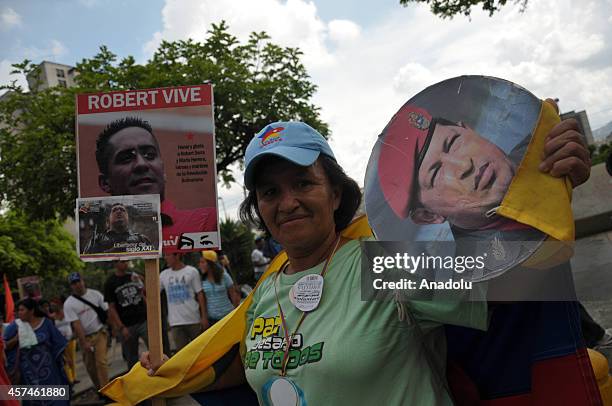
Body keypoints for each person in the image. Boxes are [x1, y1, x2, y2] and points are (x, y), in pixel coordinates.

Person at [130, 118, 592, 405]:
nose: (287, 201)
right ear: (258, 209)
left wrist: (544, 188)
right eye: (270, 192)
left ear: (335, 192)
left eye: (303, 183)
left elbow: (511, 276)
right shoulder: (264, 295)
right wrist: (171, 373)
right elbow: (244, 363)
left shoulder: (385, 263)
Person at [378, 103, 590, 231]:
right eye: (435, 173)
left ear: (468, 128)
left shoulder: (540, 147)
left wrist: (565, 182)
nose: (464, 165)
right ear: (428, 215)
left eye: (453, 143)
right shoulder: (461, 275)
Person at [95, 116, 217, 250]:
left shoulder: (207, 222)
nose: (141, 164)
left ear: (163, 170)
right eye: (126, 158)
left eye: (149, 155)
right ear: (105, 183)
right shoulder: (98, 244)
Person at [3, 299, 69, 405]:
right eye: (18, 310)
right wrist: (15, 340)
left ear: (31, 311)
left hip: (49, 371)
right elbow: (3, 346)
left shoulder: (46, 323)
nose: (19, 313)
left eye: (22, 310)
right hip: (28, 374)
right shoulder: (14, 326)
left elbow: (58, 342)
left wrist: (63, 359)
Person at [63, 272, 110, 391]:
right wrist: (84, 343)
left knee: (101, 362)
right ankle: (99, 388)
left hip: (99, 333)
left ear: (83, 280)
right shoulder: (69, 303)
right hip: (85, 337)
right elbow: (76, 324)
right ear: (71, 286)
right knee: (90, 367)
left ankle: (107, 390)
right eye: (74, 283)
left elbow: (107, 311)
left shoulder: (95, 294)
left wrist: (114, 328)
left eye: (78, 281)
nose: (77, 285)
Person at [104, 260, 148, 368]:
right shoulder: (110, 283)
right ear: (115, 264)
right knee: (132, 358)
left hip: (143, 320)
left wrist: (143, 281)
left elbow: (145, 294)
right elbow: (111, 308)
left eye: (126, 261)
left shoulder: (133, 276)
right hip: (127, 325)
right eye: (122, 261)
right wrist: (121, 327)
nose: (125, 263)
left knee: (155, 349)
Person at [159, 253, 207, 352]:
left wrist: (204, 317)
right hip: (175, 322)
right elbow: (153, 293)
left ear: (177, 256)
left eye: (168, 255)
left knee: (200, 351)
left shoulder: (192, 271)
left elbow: (200, 294)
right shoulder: (163, 275)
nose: (165, 258)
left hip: (193, 319)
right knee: (182, 353)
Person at [84, 203, 153, 254]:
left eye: (122, 210)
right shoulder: (97, 239)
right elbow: (87, 258)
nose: (119, 211)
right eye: (114, 210)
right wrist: (111, 252)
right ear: (108, 220)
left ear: (128, 218)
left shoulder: (142, 239)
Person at [199, 250, 240, 326]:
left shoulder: (224, 276)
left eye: (203, 262)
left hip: (227, 316)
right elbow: (203, 300)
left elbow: (233, 295)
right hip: (212, 319)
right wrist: (204, 317)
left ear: (210, 264)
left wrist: (236, 312)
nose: (200, 265)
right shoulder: (202, 280)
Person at [49, 299, 77, 386]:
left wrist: (75, 333)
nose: (52, 307)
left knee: (72, 358)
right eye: (51, 306)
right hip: (61, 342)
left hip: (70, 339)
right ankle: (70, 379)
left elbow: (73, 323)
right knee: (65, 360)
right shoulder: (52, 317)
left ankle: (74, 377)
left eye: (54, 305)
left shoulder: (67, 313)